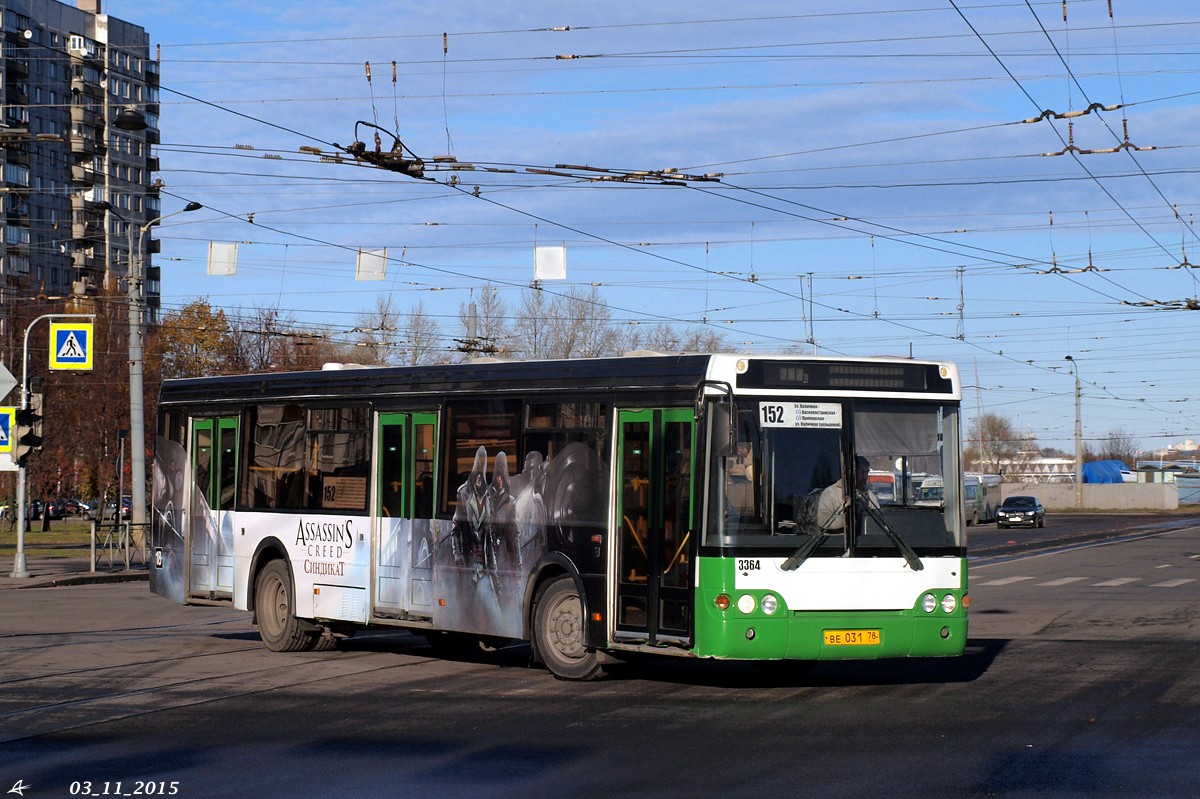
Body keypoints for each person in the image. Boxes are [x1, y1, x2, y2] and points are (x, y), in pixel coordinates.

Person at [816, 456, 878, 532]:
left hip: (864, 542)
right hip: (834, 541)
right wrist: (847, 519)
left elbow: (877, 522)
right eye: (862, 472)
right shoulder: (830, 493)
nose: (866, 477)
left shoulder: (869, 496)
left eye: (867, 472)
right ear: (851, 473)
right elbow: (822, 520)